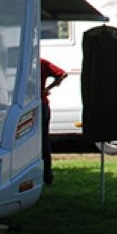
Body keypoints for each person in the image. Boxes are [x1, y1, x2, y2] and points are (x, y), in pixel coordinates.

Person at [40, 57, 68, 185]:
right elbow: (62, 74)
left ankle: (44, 174)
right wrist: (48, 88)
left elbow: (62, 74)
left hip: (33, 105)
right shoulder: (42, 62)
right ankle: (47, 175)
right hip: (42, 104)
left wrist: (47, 88)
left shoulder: (30, 62)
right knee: (44, 141)